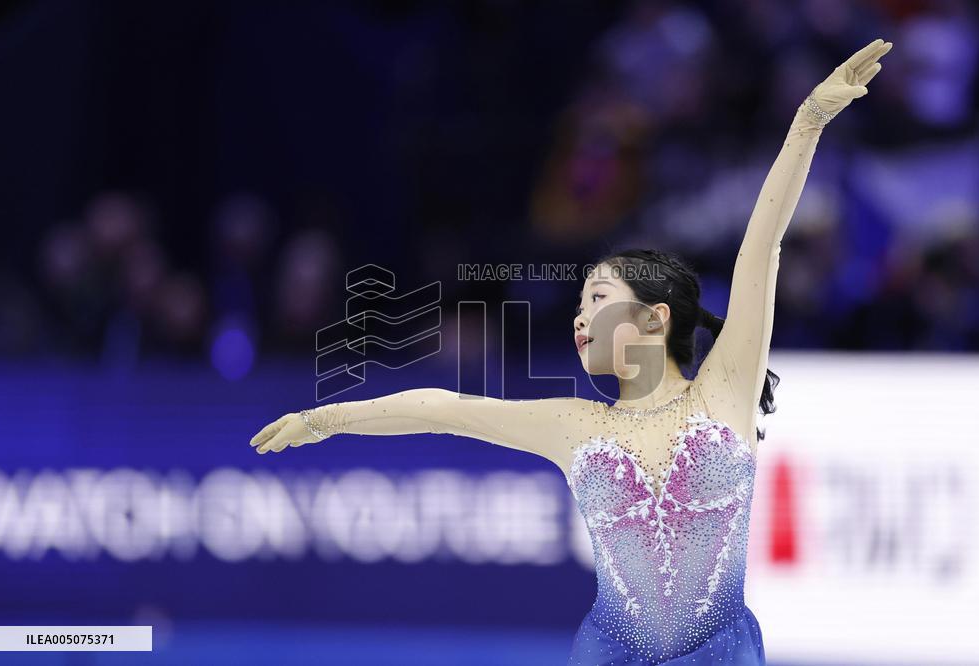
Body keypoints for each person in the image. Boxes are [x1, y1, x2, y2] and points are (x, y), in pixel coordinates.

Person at [249, 38, 893, 666]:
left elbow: (763, 246)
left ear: (652, 316)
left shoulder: (725, 388)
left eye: (598, 300)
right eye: (579, 306)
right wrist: (326, 419)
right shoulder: (575, 425)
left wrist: (806, 124)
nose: (580, 319)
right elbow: (443, 406)